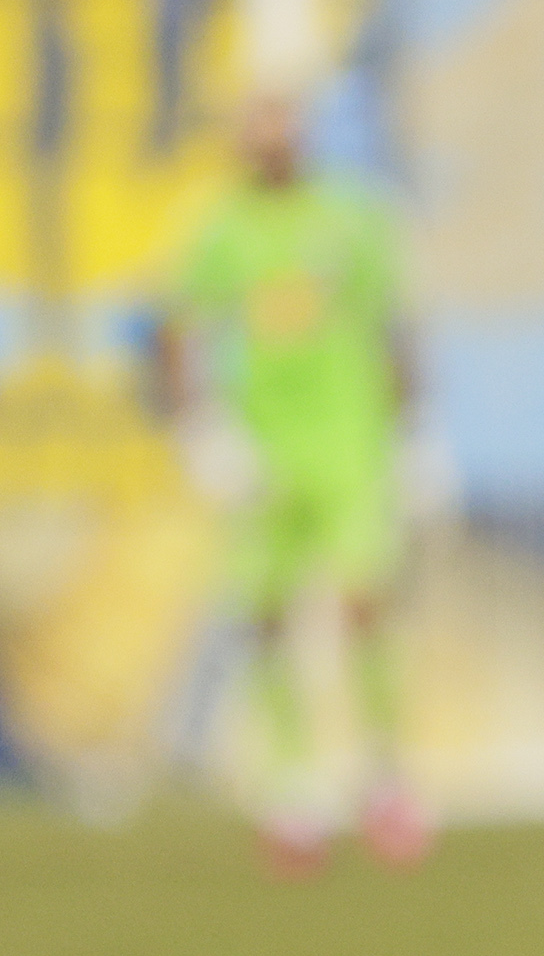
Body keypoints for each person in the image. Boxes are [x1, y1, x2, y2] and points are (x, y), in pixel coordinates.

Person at [162, 94, 430, 877]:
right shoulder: (219, 229)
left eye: (283, 126)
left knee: (362, 605)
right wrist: (201, 433)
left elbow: (394, 326)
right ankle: (295, 790)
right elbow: (182, 330)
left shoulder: (352, 217)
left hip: (351, 446)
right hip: (265, 456)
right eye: (257, 126)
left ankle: (385, 781)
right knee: (267, 618)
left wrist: (415, 434)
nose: (271, 141)